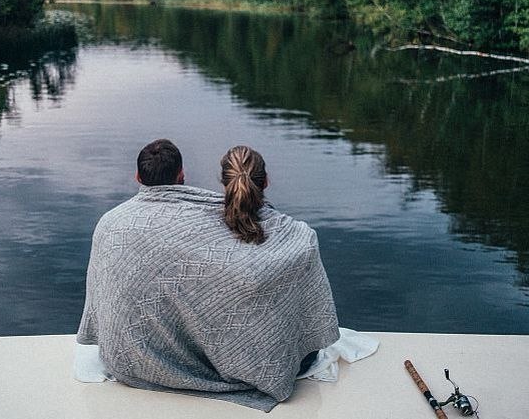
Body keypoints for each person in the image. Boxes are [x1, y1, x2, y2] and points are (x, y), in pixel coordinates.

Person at [77, 140, 339, 412]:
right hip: (246, 359)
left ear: (137, 177)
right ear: (182, 175)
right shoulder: (296, 235)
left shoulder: (109, 224)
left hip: (125, 362)